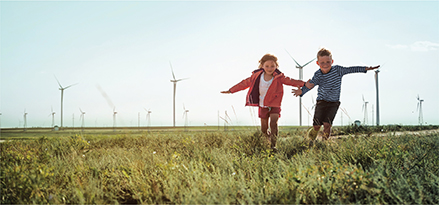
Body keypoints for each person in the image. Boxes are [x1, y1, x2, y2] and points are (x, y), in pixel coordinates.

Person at [221, 53, 307, 151]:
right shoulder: (256, 76)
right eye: (267, 66)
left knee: (274, 123)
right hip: (263, 105)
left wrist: (304, 83)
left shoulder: (279, 77)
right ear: (262, 66)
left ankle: (273, 146)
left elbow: (291, 81)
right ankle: (266, 144)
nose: (270, 68)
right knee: (264, 128)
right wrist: (231, 90)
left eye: (272, 66)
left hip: (275, 104)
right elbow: (244, 83)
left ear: (276, 66)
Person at [293, 48, 380, 140]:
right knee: (317, 126)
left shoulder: (338, 70)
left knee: (327, 124)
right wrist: (302, 91)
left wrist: (366, 69)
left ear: (332, 61)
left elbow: (351, 69)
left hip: (334, 103)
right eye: (322, 62)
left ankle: (324, 143)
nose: (325, 65)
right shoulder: (318, 74)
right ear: (317, 63)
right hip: (321, 102)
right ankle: (311, 138)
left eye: (328, 62)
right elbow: (311, 85)